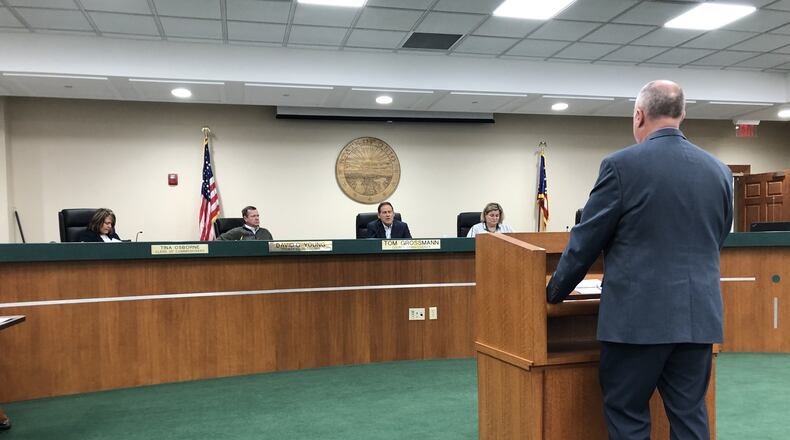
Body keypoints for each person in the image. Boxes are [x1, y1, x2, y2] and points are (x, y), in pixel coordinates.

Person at [545, 80, 733, 440]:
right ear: (682, 114)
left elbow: (586, 240)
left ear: (639, 115)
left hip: (637, 322)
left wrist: (555, 291)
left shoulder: (620, 166)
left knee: (627, 414)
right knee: (691, 416)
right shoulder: (719, 171)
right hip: (697, 318)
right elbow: (716, 238)